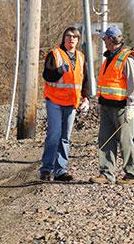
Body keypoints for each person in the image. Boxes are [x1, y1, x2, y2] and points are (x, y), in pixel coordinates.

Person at [89, 26, 134, 185]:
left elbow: (133, 84)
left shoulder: (127, 59)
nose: (103, 41)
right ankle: (106, 174)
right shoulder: (109, 58)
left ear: (112, 39)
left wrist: (131, 105)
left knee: (125, 141)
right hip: (106, 106)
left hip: (121, 108)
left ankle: (132, 174)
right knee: (105, 140)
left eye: (105, 38)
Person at [40, 27, 90, 181]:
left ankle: (61, 170)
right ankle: (47, 169)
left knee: (65, 137)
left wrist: (86, 97)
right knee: (54, 136)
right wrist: (59, 70)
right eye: (68, 36)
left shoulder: (81, 57)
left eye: (75, 37)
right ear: (64, 38)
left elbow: (85, 79)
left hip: (71, 102)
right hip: (54, 101)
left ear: (78, 40)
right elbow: (47, 76)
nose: (71, 39)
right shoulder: (54, 54)